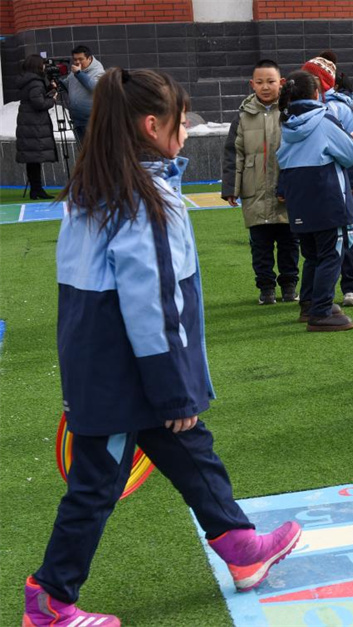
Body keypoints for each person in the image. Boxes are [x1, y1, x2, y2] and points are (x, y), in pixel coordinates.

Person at [23, 68, 302, 627]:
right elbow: (154, 303)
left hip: (107, 366)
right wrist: (174, 389)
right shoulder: (145, 198)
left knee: (193, 452)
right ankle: (50, 599)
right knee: (97, 485)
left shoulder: (94, 186)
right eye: (181, 119)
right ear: (153, 126)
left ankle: (242, 547)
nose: (186, 129)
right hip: (129, 372)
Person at [276, 70, 353, 331]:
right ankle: (321, 311)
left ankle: (310, 303)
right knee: (331, 254)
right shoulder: (324, 120)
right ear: (317, 93)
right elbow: (351, 154)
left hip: (299, 198)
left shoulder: (286, 123)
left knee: (312, 254)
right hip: (327, 197)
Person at [222, 59, 300, 305]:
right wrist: (231, 189)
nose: (265, 87)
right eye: (260, 82)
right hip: (253, 190)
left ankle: (289, 285)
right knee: (260, 246)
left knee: (289, 243)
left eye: (271, 81)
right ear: (252, 84)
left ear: (282, 83)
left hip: (286, 191)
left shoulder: (291, 112)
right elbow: (234, 153)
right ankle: (265, 288)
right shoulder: (243, 116)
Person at [303, 55, 353, 308]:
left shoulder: (341, 109)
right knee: (319, 241)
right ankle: (319, 292)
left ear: (324, 82)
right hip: (316, 186)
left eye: (313, 77)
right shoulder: (303, 106)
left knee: (346, 236)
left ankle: (351, 286)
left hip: (341, 186)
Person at [15, 54, 58, 200]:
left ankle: (36, 189)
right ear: (37, 66)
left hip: (28, 122)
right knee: (34, 159)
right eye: (43, 64)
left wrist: (47, 89)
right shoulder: (35, 82)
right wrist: (52, 100)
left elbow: (34, 96)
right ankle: (37, 190)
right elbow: (38, 103)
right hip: (35, 124)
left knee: (32, 159)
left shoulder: (28, 81)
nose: (45, 67)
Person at [61, 45, 105, 142]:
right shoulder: (74, 72)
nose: (77, 62)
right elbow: (66, 85)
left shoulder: (99, 72)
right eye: (75, 59)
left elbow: (94, 88)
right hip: (77, 121)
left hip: (92, 121)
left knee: (94, 152)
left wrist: (79, 74)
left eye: (81, 59)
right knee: (83, 153)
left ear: (89, 58)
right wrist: (56, 81)